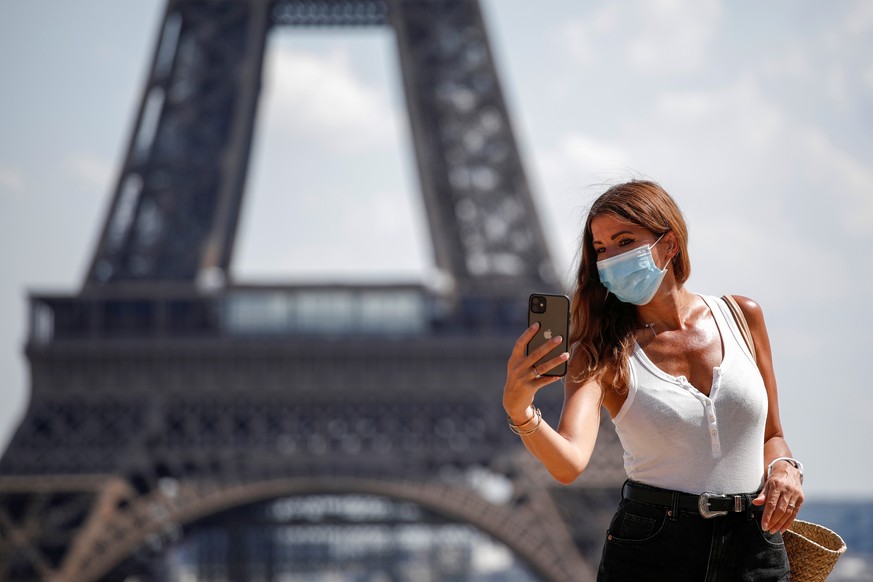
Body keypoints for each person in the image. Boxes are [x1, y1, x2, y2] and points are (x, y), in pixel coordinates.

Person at [502, 180, 803, 581]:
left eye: (625, 241)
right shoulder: (602, 351)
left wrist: (785, 467)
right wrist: (519, 409)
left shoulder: (743, 317)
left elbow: (772, 436)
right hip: (655, 547)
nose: (610, 258)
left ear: (670, 244)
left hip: (754, 543)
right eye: (601, 249)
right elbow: (569, 464)